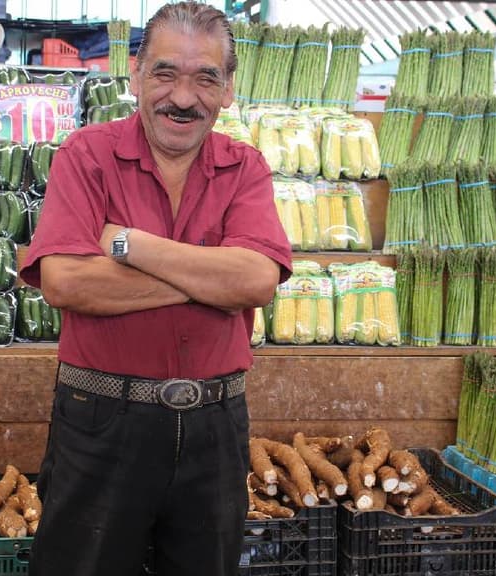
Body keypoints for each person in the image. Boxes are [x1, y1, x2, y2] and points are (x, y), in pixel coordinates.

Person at [18, 3, 293, 575]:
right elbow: (66, 282)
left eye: (205, 79)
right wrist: (209, 280)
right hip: (101, 419)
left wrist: (130, 245)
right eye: (165, 73)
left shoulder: (245, 168)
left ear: (228, 89)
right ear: (136, 75)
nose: (183, 97)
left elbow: (256, 281)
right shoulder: (86, 155)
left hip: (215, 425)